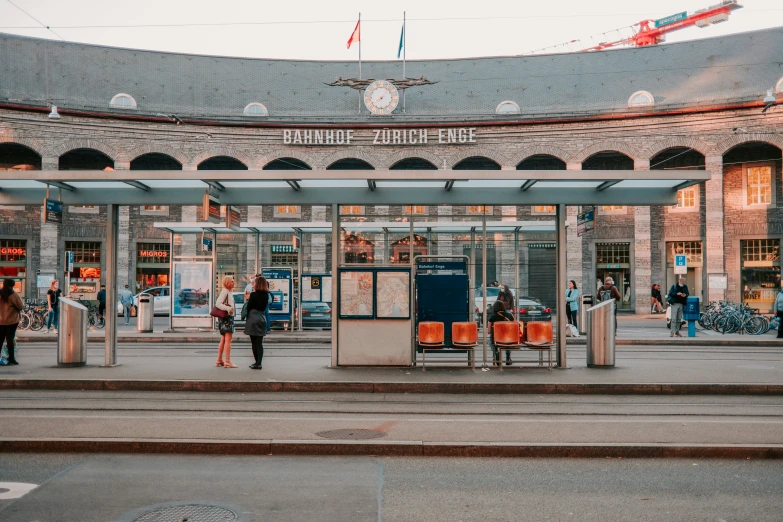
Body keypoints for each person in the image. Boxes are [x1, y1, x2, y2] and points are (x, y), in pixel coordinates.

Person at [244, 276, 270, 369]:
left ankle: (256, 362)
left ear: (257, 284)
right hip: (262, 318)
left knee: (253, 342)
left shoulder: (253, 295)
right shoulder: (266, 295)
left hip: (253, 318)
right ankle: (259, 363)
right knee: (259, 343)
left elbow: (249, 307)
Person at [0, 279, 24, 365]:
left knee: (0, 340)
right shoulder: (13, 295)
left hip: (0, 321)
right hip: (11, 321)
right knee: (10, 340)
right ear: (12, 285)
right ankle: (11, 359)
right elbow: (20, 306)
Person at [215, 276, 237, 368]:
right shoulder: (225, 292)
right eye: (232, 281)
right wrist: (228, 308)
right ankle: (227, 361)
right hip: (227, 318)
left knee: (223, 340)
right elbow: (218, 304)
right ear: (227, 283)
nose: (233, 283)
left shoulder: (228, 292)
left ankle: (219, 360)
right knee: (228, 340)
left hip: (225, 318)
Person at [487, 300, 514, 366]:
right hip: (508, 339)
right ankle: (508, 357)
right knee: (508, 339)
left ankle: (496, 352)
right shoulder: (510, 316)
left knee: (489, 338)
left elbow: (489, 331)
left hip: (497, 339)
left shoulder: (492, 317)